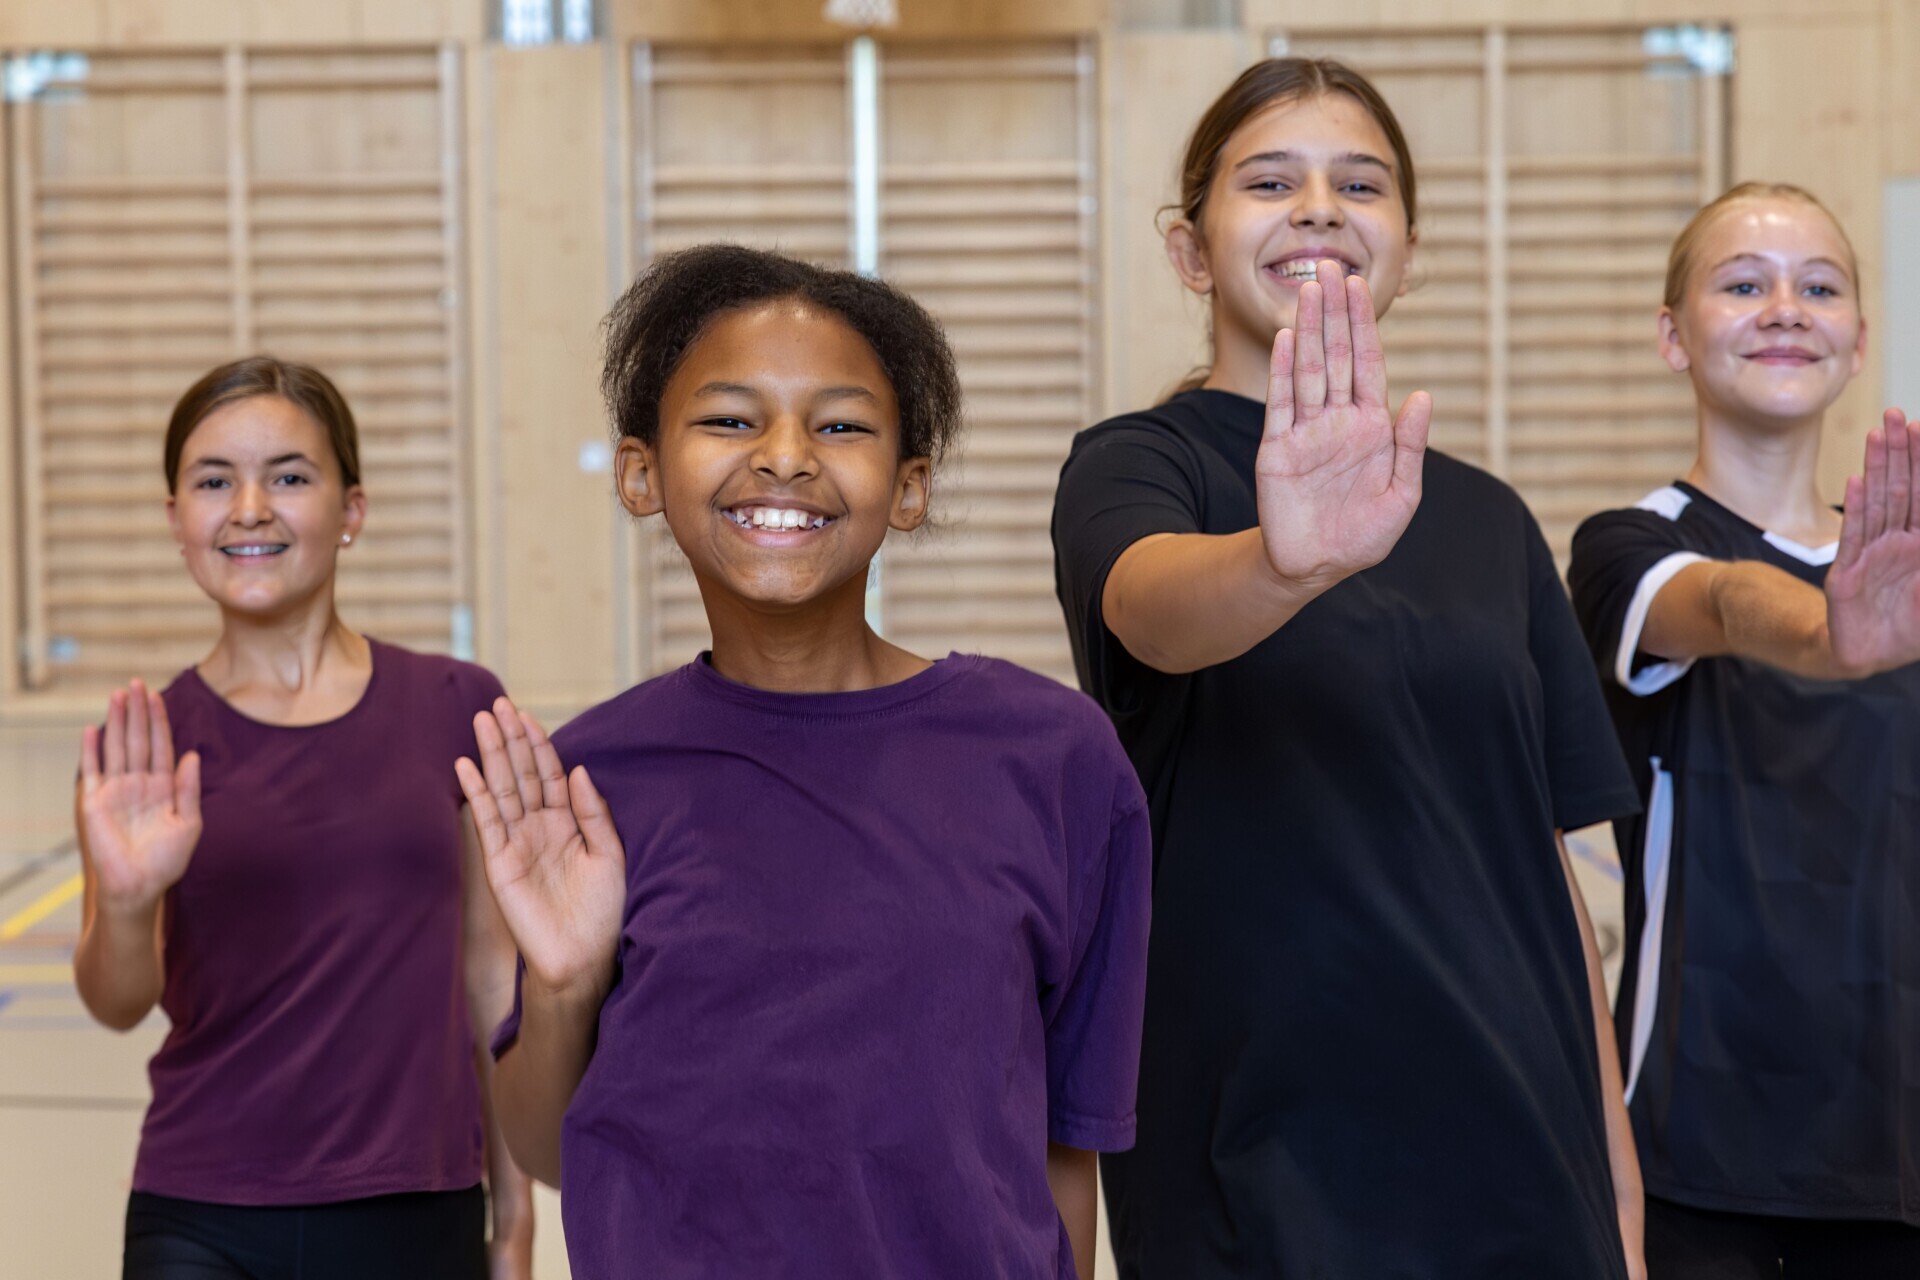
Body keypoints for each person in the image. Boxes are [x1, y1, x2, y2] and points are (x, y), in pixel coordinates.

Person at [1051, 57, 1646, 1277]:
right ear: (1187, 249)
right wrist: (1284, 561)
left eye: (1359, 183)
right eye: (1270, 180)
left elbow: (1539, 862)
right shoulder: (1135, 465)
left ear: (1408, 250)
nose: (1319, 206)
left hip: (1522, 1142)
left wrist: (1622, 1200)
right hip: (1259, 1143)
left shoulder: (1485, 514)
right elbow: (1152, 614)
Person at [460, 244, 1152, 1279]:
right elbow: (549, 1146)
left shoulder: (1053, 757)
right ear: (642, 471)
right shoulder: (588, 781)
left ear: (908, 487)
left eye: (840, 424)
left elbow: (1062, 1145)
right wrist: (561, 984)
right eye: (731, 418)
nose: (785, 455)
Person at [72, 357, 532, 1279]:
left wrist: (514, 1224)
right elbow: (119, 1003)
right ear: (177, 521)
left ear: (350, 510)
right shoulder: (147, 743)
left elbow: (492, 979)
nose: (250, 507)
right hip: (202, 1213)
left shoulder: (457, 705)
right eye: (214, 481)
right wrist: (125, 901)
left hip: (418, 1205)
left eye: (288, 475)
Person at [1568, 182, 1920, 1276]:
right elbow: (1721, 603)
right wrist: (1831, 634)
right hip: (1700, 1151)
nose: (1784, 306)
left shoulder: (1900, 573)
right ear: (1673, 335)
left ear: (1858, 340)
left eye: (1818, 286)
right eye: (1742, 283)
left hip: (1896, 1149)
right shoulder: (1627, 546)